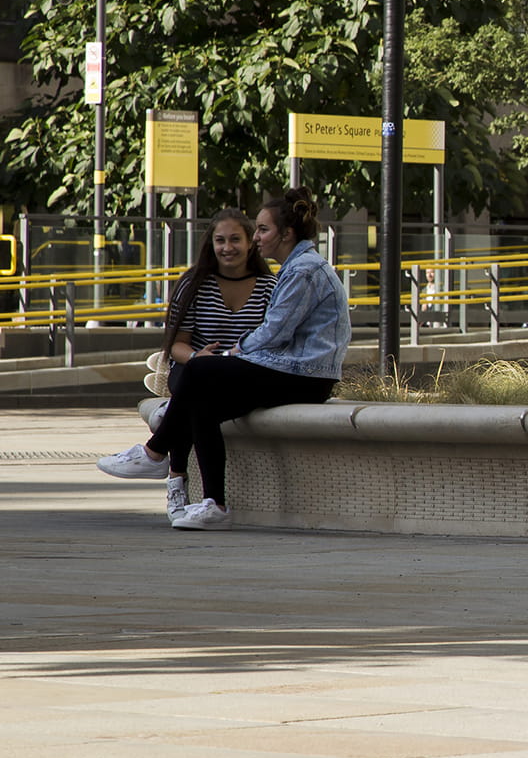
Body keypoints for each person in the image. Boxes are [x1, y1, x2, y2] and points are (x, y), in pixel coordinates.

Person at [96, 188, 352, 532]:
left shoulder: (302, 270)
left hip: (304, 374)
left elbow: (275, 331)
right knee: (204, 405)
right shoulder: (293, 268)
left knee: (201, 369)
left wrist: (233, 352)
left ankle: (156, 452)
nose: (256, 237)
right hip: (292, 370)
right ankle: (214, 504)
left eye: (262, 230)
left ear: (286, 234)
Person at [145, 209, 278, 524]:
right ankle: (178, 484)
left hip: (243, 371)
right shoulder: (194, 284)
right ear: (211, 244)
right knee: (194, 384)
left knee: (189, 401)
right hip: (195, 365)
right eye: (220, 240)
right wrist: (195, 357)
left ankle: (165, 461)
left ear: (250, 244)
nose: (227, 247)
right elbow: (176, 345)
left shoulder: (270, 286)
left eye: (235, 239)